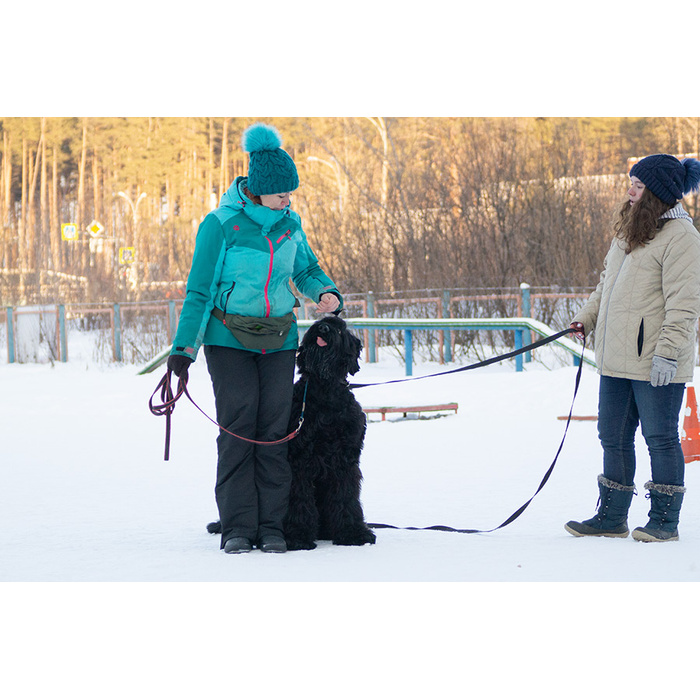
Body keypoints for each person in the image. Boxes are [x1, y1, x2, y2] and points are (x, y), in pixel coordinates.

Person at [167, 123, 342, 554]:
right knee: (240, 428)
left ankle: (273, 526)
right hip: (228, 340)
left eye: (290, 193)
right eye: (282, 193)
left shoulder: (289, 224)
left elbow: (305, 268)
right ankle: (238, 526)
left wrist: (325, 290)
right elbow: (199, 292)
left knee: (276, 431)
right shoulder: (220, 225)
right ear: (260, 190)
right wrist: (184, 350)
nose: (288, 199)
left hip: (280, 339)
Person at [565, 153, 700, 543]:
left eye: (638, 185)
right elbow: (606, 286)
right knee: (612, 436)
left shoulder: (683, 238)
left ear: (656, 192)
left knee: (660, 437)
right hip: (615, 357)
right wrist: (585, 319)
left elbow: (684, 303)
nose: (630, 190)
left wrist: (668, 353)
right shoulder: (629, 231)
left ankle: (664, 521)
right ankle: (611, 518)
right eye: (631, 182)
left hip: (656, 359)